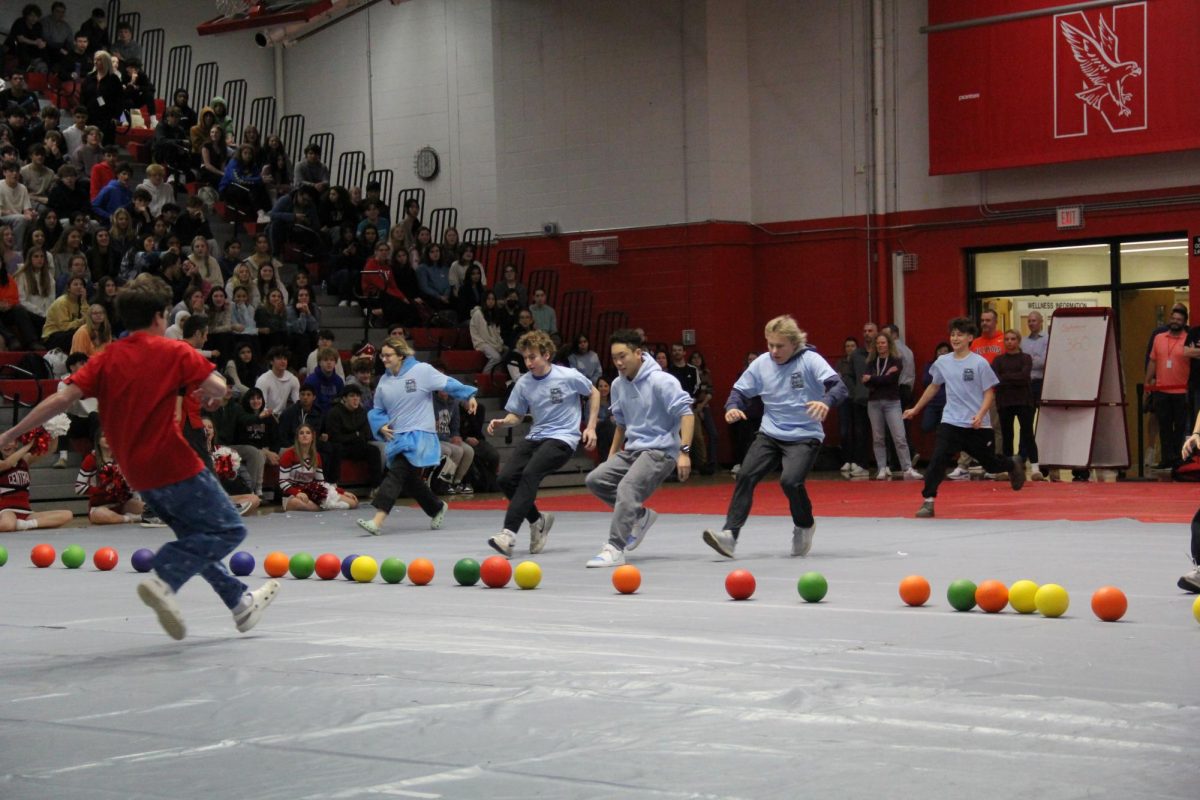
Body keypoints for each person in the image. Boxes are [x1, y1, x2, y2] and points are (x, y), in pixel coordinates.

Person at [0, 274, 279, 640]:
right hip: (175, 462)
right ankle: (166, 575)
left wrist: (10, 433)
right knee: (229, 528)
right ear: (160, 317)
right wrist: (211, 393)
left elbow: (60, 399)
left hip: (139, 474)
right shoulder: (174, 351)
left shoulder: (106, 358)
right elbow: (219, 388)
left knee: (193, 534)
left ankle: (239, 603)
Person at [702, 315, 847, 559]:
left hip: (805, 435)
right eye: (770, 345)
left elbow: (839, 386)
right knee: (746, 475)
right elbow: (739, 390)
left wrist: (825, 402)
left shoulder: (811, 360)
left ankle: (804, 525)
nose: (774, 351)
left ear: (794, 343)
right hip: (770, 433)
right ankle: (729, 536)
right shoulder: (761, 363)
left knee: (790, 482)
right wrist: (732, 407)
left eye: (780, 346)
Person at [585, 329, 694, 567]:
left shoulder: (662, 381)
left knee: (628, 487)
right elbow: (622, 425)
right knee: (596, 479)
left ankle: (615, 547)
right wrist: (611, 456)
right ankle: (639, 515)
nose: (619, 362)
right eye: (614, 358)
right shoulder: (617, 385)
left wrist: (684, 452)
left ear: (638, 353)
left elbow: (686, 414)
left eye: (623, 356)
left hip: (661, 450)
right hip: (633, 450)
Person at [485, 330, 599, 557]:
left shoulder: (567, 376)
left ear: (546, 355)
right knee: (506, 479)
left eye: (533, 357)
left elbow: (594, 392)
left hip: (563, 438)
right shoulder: (524, 383)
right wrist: (503, 422)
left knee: (529, 474)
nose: (528, 363)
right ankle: (538, 521)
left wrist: (591, 426)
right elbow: (516, 415)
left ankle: (508, 534)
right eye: (525, 358)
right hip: (536, 436)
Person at [902, 317, 1026, 519]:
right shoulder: (943, 362)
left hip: (977, 425)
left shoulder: (980, 363)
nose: (955, 338)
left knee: (991, 465)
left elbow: (989, 393)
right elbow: (934, 386)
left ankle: (1012, 464)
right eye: (953, 334)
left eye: (960, 334)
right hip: (951, 421)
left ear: (970, 338)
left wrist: (980, 414)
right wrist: (915, 409)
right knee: (938, 459)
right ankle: (928, 501)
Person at [355, 335, 478, 535]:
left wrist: (469, 395)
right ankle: (436, 507)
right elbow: (377, 410)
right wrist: (380, 426)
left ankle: (378, 520)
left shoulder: (422, 371)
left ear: (401, 355)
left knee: (396, 473)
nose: (384, 359)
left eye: (388, 355)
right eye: (382, 355)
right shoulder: (384, 382)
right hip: (398, 437)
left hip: (420, 435)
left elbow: (448, 384)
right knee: (409, 480)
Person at [862, 332, 920, 480]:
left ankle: (907, 467)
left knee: (899, 436)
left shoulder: (896, 360)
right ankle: (882, 467)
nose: (880, 345)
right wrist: (879, 378)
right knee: (878, 437)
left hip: (892, 401)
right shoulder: (871, 361)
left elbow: (890, 380)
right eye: (878, 343)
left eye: (883, 343)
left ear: (889, 344)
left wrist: (874, 378)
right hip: (874, 402)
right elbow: (865, 381)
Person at [1146, 306, 1190, 471]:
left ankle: (1178, 458)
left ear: (1184, 322)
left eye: (1179, 320)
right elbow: (1152, 361)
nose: (1175, 322)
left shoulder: (1188, 339)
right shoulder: (1158, 338)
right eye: (1173, 319)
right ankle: (1166, 459)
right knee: (1164, 426)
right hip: (1162, 389)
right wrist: (1147, 382)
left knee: (1179, 427)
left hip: (1181, 391)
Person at [278, 424, 357, 512]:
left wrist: (342, 492)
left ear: (312, 437)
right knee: (304, 505)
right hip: (292, 496)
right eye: (301, 433)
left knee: (353, 502)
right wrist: (297, 493)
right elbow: (282, 482)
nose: (305, 435)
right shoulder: (288, 455)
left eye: (308, 433)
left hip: (312, 493)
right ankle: (329, 507)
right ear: (297, 438)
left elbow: (321, 483)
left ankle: (326, 507)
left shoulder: (316, 456)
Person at [75, 429, 146, 524]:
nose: (108, 438)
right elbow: (79, 488)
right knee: (101, 515)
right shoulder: (91, 459)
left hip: (122, 504)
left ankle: (123, 517)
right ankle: (130, 519)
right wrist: (104, 490)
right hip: (100, 506)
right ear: (98, 441)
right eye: (104, 436)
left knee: (148, 509)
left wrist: (128, 487)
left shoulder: (122, 457)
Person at [993, 329, 1038, 478]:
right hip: (1004, 401)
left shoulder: (1026, 358)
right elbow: (995, 379)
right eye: (1007, 339)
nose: (1010, 342)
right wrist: (1013, 378)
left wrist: (1005, 377)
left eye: (1013, 339)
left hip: (1023, 400)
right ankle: (1008, 468)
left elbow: (1024, 376)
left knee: (1027, 434)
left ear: (1018, 341)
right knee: (1007, 435)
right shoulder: (998, 360)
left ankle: (1035, 468)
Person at [324, 384, 383, 488]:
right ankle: (332, 484)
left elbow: (367, 434)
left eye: (357, 396)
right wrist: (356, 434)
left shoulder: (362, 412)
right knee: (335, 449)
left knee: (374, 450)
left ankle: (376, 487)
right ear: (344, 398)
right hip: (340, 446)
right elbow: (335, 437)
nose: (355, 399)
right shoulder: (335, 412)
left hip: (357, 446)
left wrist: (355, 436)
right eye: (352, 396)